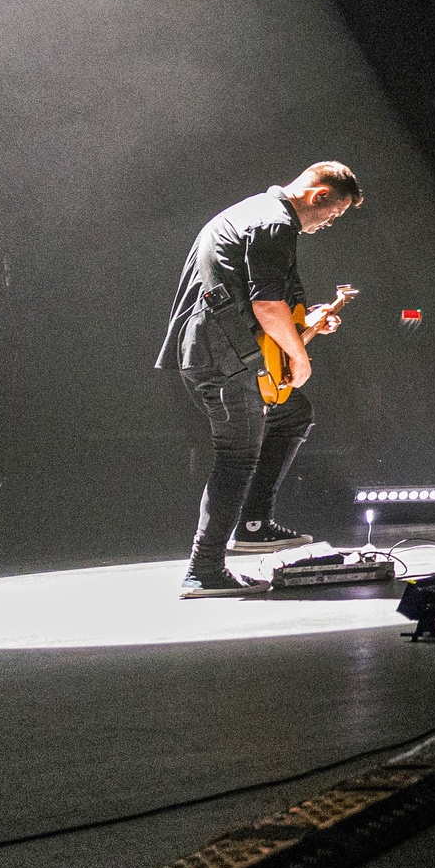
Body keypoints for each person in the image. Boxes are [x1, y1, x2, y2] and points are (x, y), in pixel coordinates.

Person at [153, 163, 361, 597]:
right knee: (236, 458)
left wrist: (305, 325)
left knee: (291, 413)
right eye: (334, 214)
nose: (329, 224)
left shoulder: (255, 214)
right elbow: (266, 305)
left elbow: (255, 300)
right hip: (224, 360)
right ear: (318, 195)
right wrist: (299, 355)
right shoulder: (273, 222)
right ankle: (204, 569)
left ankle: (253, 522)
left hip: (222, 352)